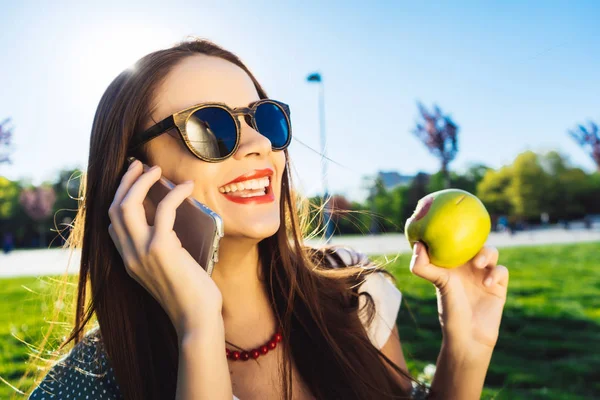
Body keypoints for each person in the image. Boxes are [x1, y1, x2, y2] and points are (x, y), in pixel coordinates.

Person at [26, 38, 509, 400]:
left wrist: (466, 352)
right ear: (134, 179)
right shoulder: (87, 381)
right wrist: (198, 327)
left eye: (264, 119)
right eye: (211, 126)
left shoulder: (352, 290)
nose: (258, 145)